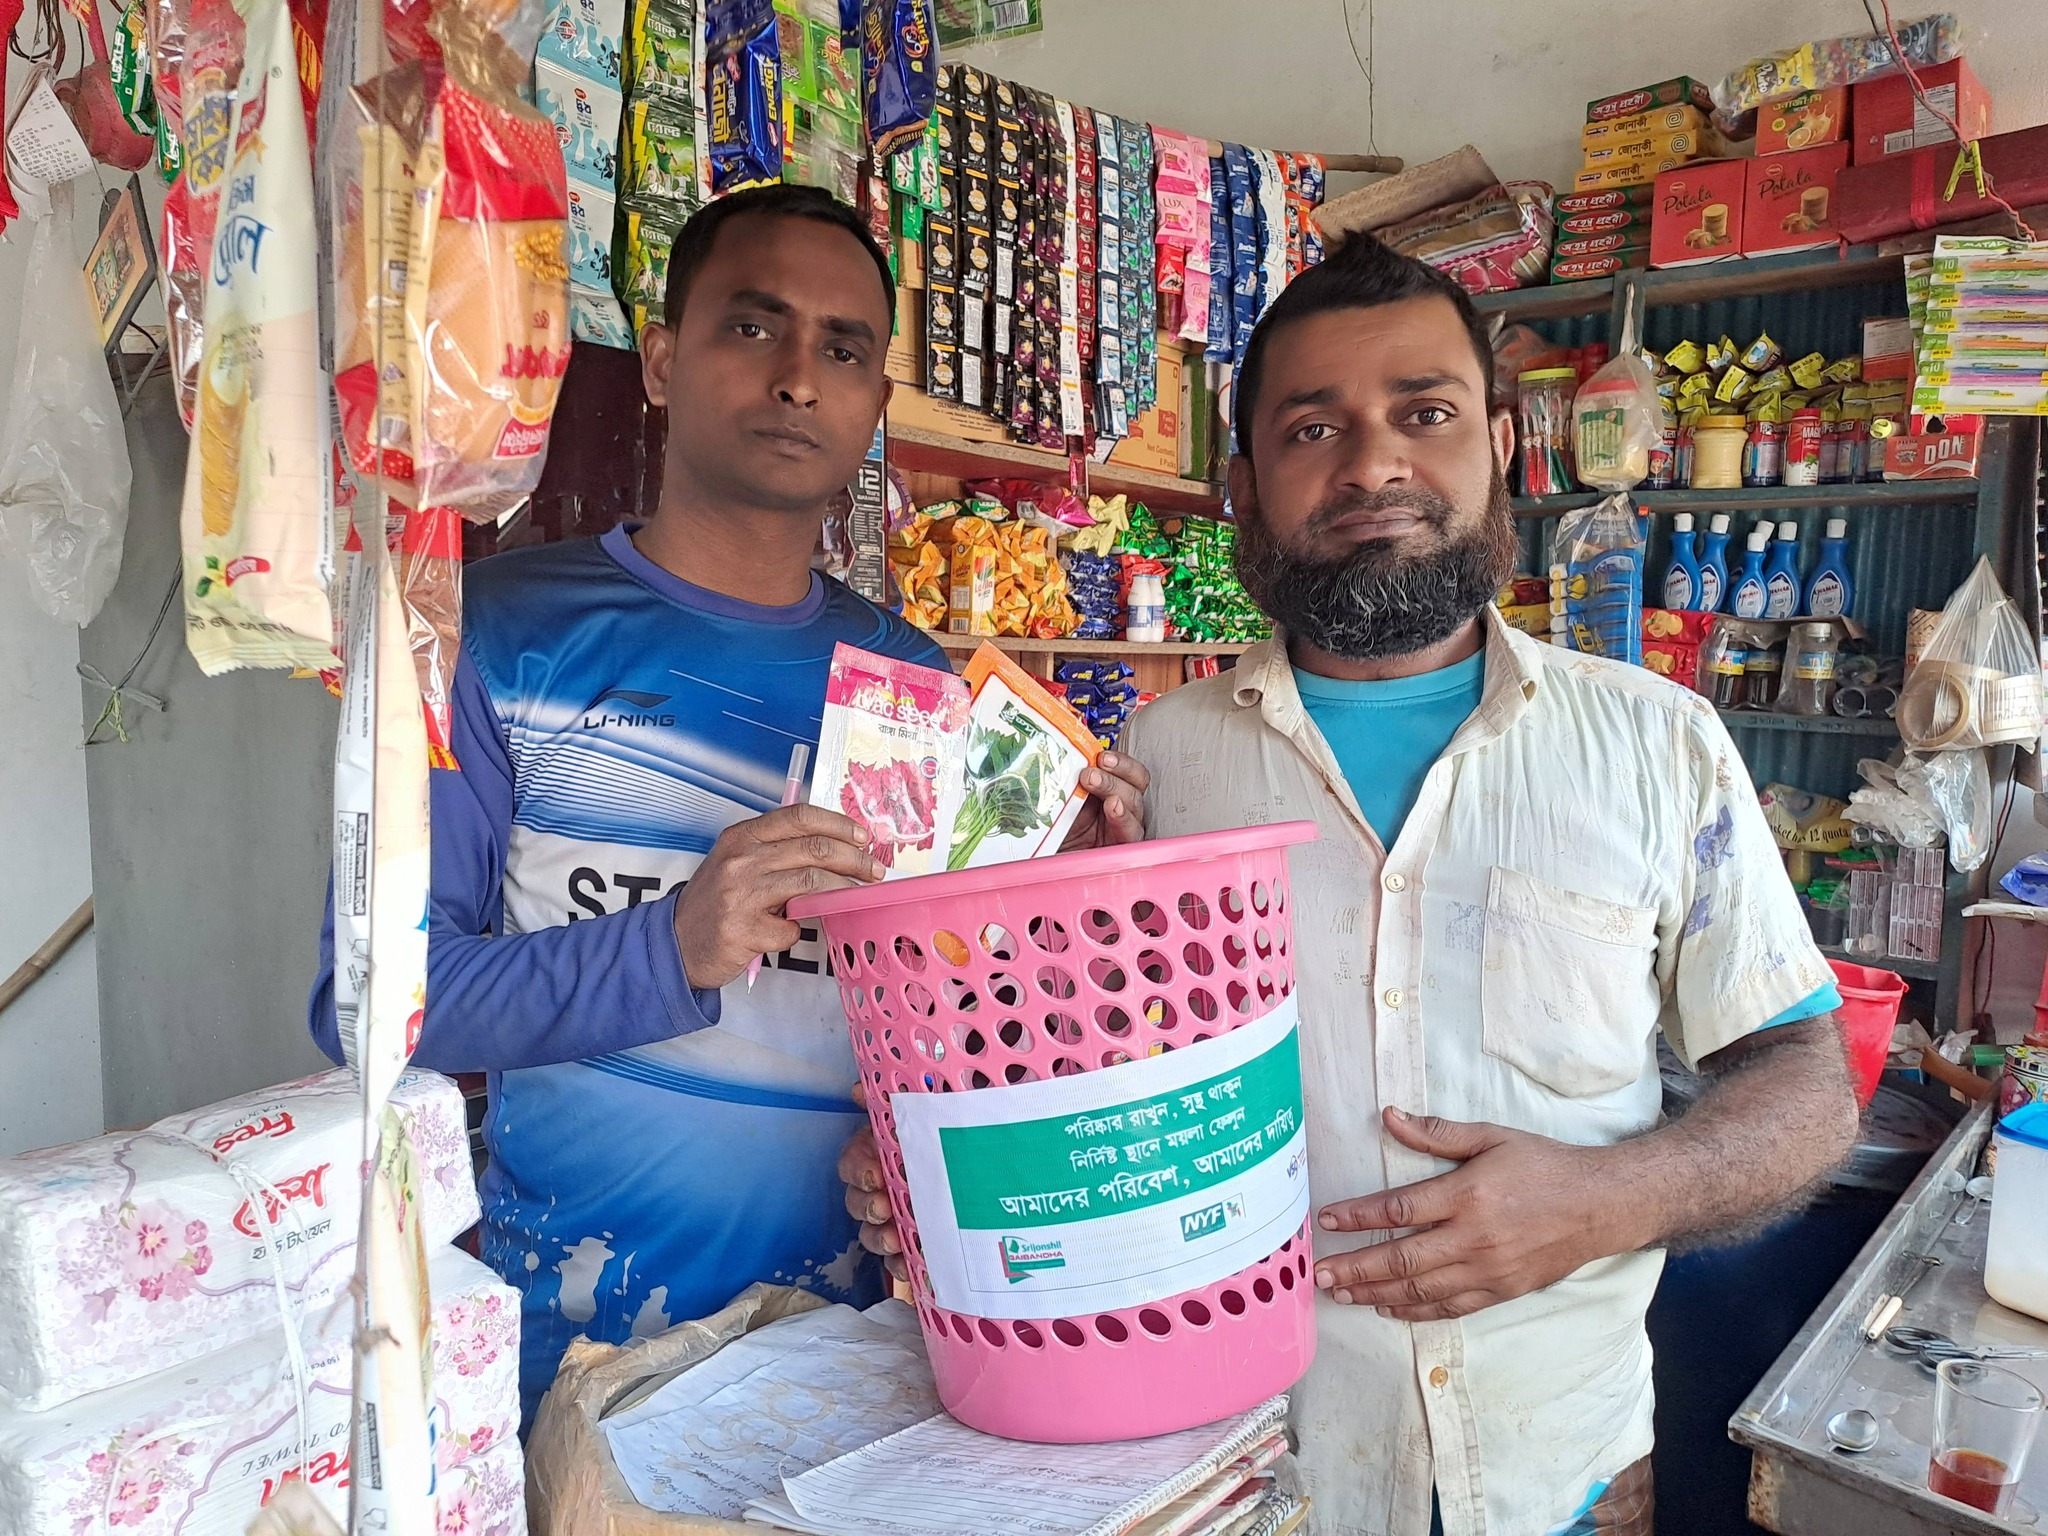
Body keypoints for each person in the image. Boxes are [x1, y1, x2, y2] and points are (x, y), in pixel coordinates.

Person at [839, 235, 1860, 1536]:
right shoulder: (1153, 766)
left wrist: (1601, 1203)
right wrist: (929, 1164)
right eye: (1313, 428)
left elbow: (1804, 1083)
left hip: (1559, 1475)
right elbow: (1079, 1089)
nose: (1372, 465)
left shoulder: (1657, 744)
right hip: (1241, 1466)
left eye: (1422, 414)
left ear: (1499, 445)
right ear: (1243, 486)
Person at [307, 184, 1145, 1421]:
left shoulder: (920, 689)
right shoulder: (490, 637)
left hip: (857, 1359)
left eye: (843, 351)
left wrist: (1065, 899)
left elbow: (964, 1035)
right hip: (569, 1364)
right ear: (661, 361)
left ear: (873, 404)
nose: (798, 379)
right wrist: (671, 947)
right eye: (753, 328)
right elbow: (364, 1005)